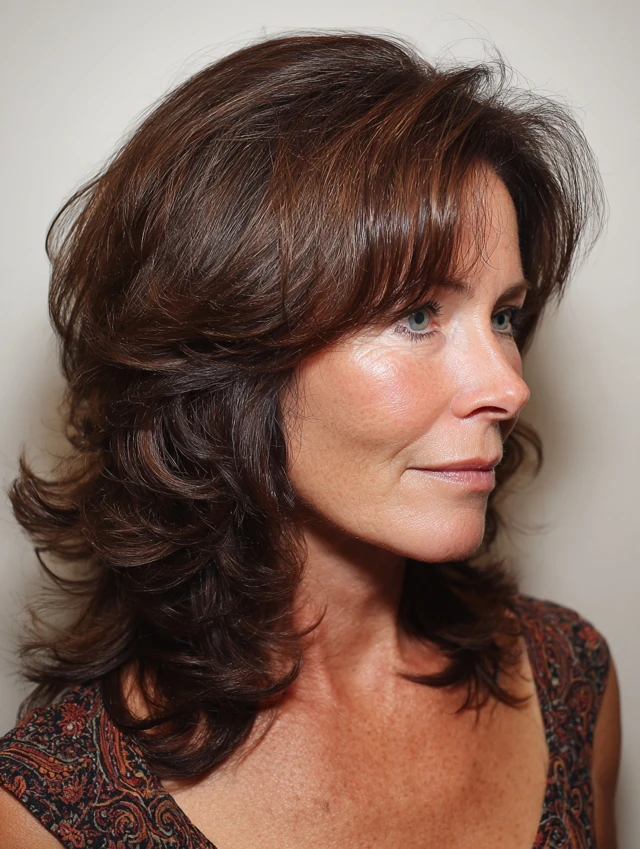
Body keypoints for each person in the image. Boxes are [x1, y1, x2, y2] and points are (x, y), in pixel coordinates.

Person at [0, 31, 621, 849]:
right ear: (230, 352)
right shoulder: (49, 808)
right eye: (417, 314)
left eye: (503, 315)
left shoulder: (568, 679)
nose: (508, 386)